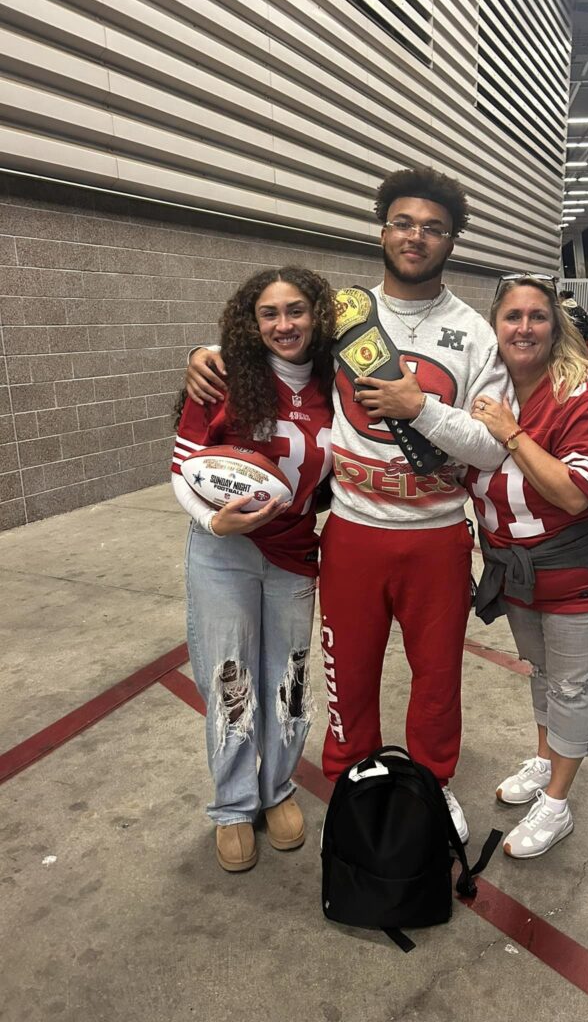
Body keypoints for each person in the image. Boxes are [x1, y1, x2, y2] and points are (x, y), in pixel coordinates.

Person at [184, 166, 510, 843]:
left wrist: (420, 409)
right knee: (342, 677)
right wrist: (209, 352)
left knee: (437, 679)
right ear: (382, 229)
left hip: (437, 533)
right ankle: (350, 786)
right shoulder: (343, 315)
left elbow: (490, 446)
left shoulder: (475, 333)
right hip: (353, 533)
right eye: (403, 222)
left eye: (432, 227)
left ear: (452, 240)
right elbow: (273, 342)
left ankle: (432, 786)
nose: (415, 236)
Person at [466, 276, 588, 858]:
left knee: (572, 685)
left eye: (536, 316)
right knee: (542, 674)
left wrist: (511, 434)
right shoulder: (485, 388)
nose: (523, 327)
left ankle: (559, 804)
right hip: (519, 574)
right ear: (494, 327)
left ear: (555, 325)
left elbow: (575, 494)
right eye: (511, 316)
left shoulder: (582, 392)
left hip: (582, 572)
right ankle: (547, 761)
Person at [172, 266, 335, 872]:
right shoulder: (223, 377)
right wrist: (215, 523)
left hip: (295, 551)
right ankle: (234, 806)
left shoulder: (333, 384)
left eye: (296, 310)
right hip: (225, 552)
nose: (284, 324)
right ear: (252, 321)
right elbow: (182, 466)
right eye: (270, 313)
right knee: (230, 678)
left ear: (316, 315)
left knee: (288, 680)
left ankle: (278, 790)